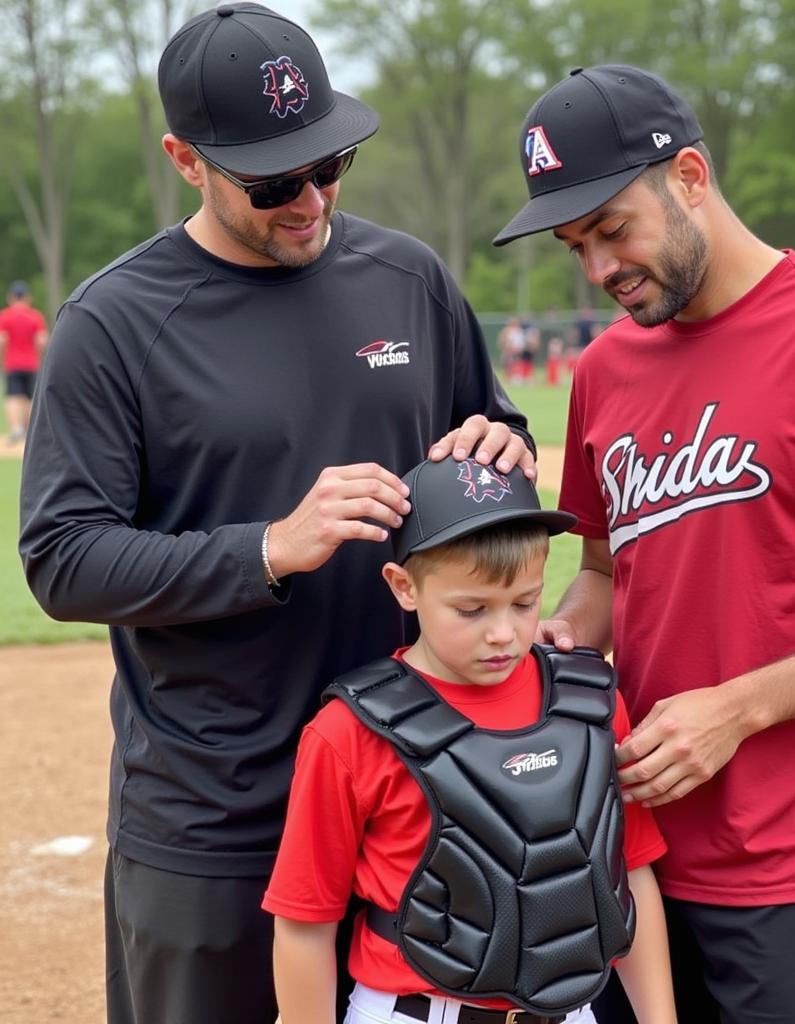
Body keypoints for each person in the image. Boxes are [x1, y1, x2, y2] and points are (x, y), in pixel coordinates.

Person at [18, 5, 536, 1023]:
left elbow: (492, 427)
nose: (310, 199)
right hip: (222, 813)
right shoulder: (113, 325)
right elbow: (63, 557)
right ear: (184, 160)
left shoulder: (409, 280)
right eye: (272, 182)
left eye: (328, 164)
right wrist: (266, 549)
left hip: (416, 779)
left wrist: (501, 450)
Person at [493, 64, 795, 1024]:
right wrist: (560, 635)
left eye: (612, 230)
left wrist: (739, 709)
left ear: (688, 175)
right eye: (575, 246)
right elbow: (605, 569)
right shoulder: (605, 370)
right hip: (633, 853)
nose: (598, 268)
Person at [263, 454, 676, 1024]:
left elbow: (625, 874)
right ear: (404, 586)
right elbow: (307, 918)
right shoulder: (351, 731)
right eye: (471, 608)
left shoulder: (588, 705)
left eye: (525, 603)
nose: (503, 633)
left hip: (570, 1008)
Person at [0, 280, 47, 444]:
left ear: (11, 297)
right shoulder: (35, 316)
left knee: (13, 396)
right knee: (29, 397)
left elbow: (2, 340)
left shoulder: (5, 315)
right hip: (31, 363)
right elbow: (41, 341)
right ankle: (28, 431)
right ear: (27, 297)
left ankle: (16, 428)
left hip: (12, 363)